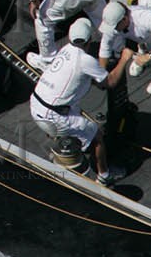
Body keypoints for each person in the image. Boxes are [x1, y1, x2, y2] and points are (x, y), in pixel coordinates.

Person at [27, 17, 129, 185]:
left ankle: (64, 147)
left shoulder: (65, 49)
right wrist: (124, 58)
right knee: (97, 135)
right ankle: (104, 176)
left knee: (73, 122)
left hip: (36, 104)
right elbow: (109, 82)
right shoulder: (85, 59)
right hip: (54, 115)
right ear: (89, 40)